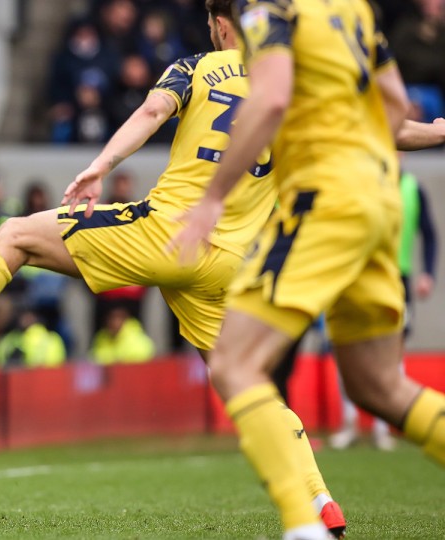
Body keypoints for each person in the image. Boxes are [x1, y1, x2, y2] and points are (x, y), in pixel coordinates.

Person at [0, 2, 347, 535]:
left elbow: (150, 113)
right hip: (232, 265)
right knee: (247, 385)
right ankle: (318, 500)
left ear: (221, 25)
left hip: (170, 233)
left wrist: (100, 166)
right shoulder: (293, 90)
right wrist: (434, 129)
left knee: (15, 235)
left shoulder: (198, 67)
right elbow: (382, 129)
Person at [169, 1, 445, 538]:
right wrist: (437, 132)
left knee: (233, 363)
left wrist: (212, 198)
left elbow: (270, 97)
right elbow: (390, 106)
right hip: (378, 199)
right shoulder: (353, 11)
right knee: (378, 386)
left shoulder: (266, 8)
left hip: (323, 199)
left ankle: (303, 526)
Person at [330, 167, 439, 451]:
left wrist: (428, 272)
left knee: (393, 353)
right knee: (345, 350)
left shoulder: (413, 188)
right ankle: (350, 424)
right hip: (353, 274)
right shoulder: (356, 180)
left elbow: (429, 234)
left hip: (396, 278)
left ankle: (382, 429)